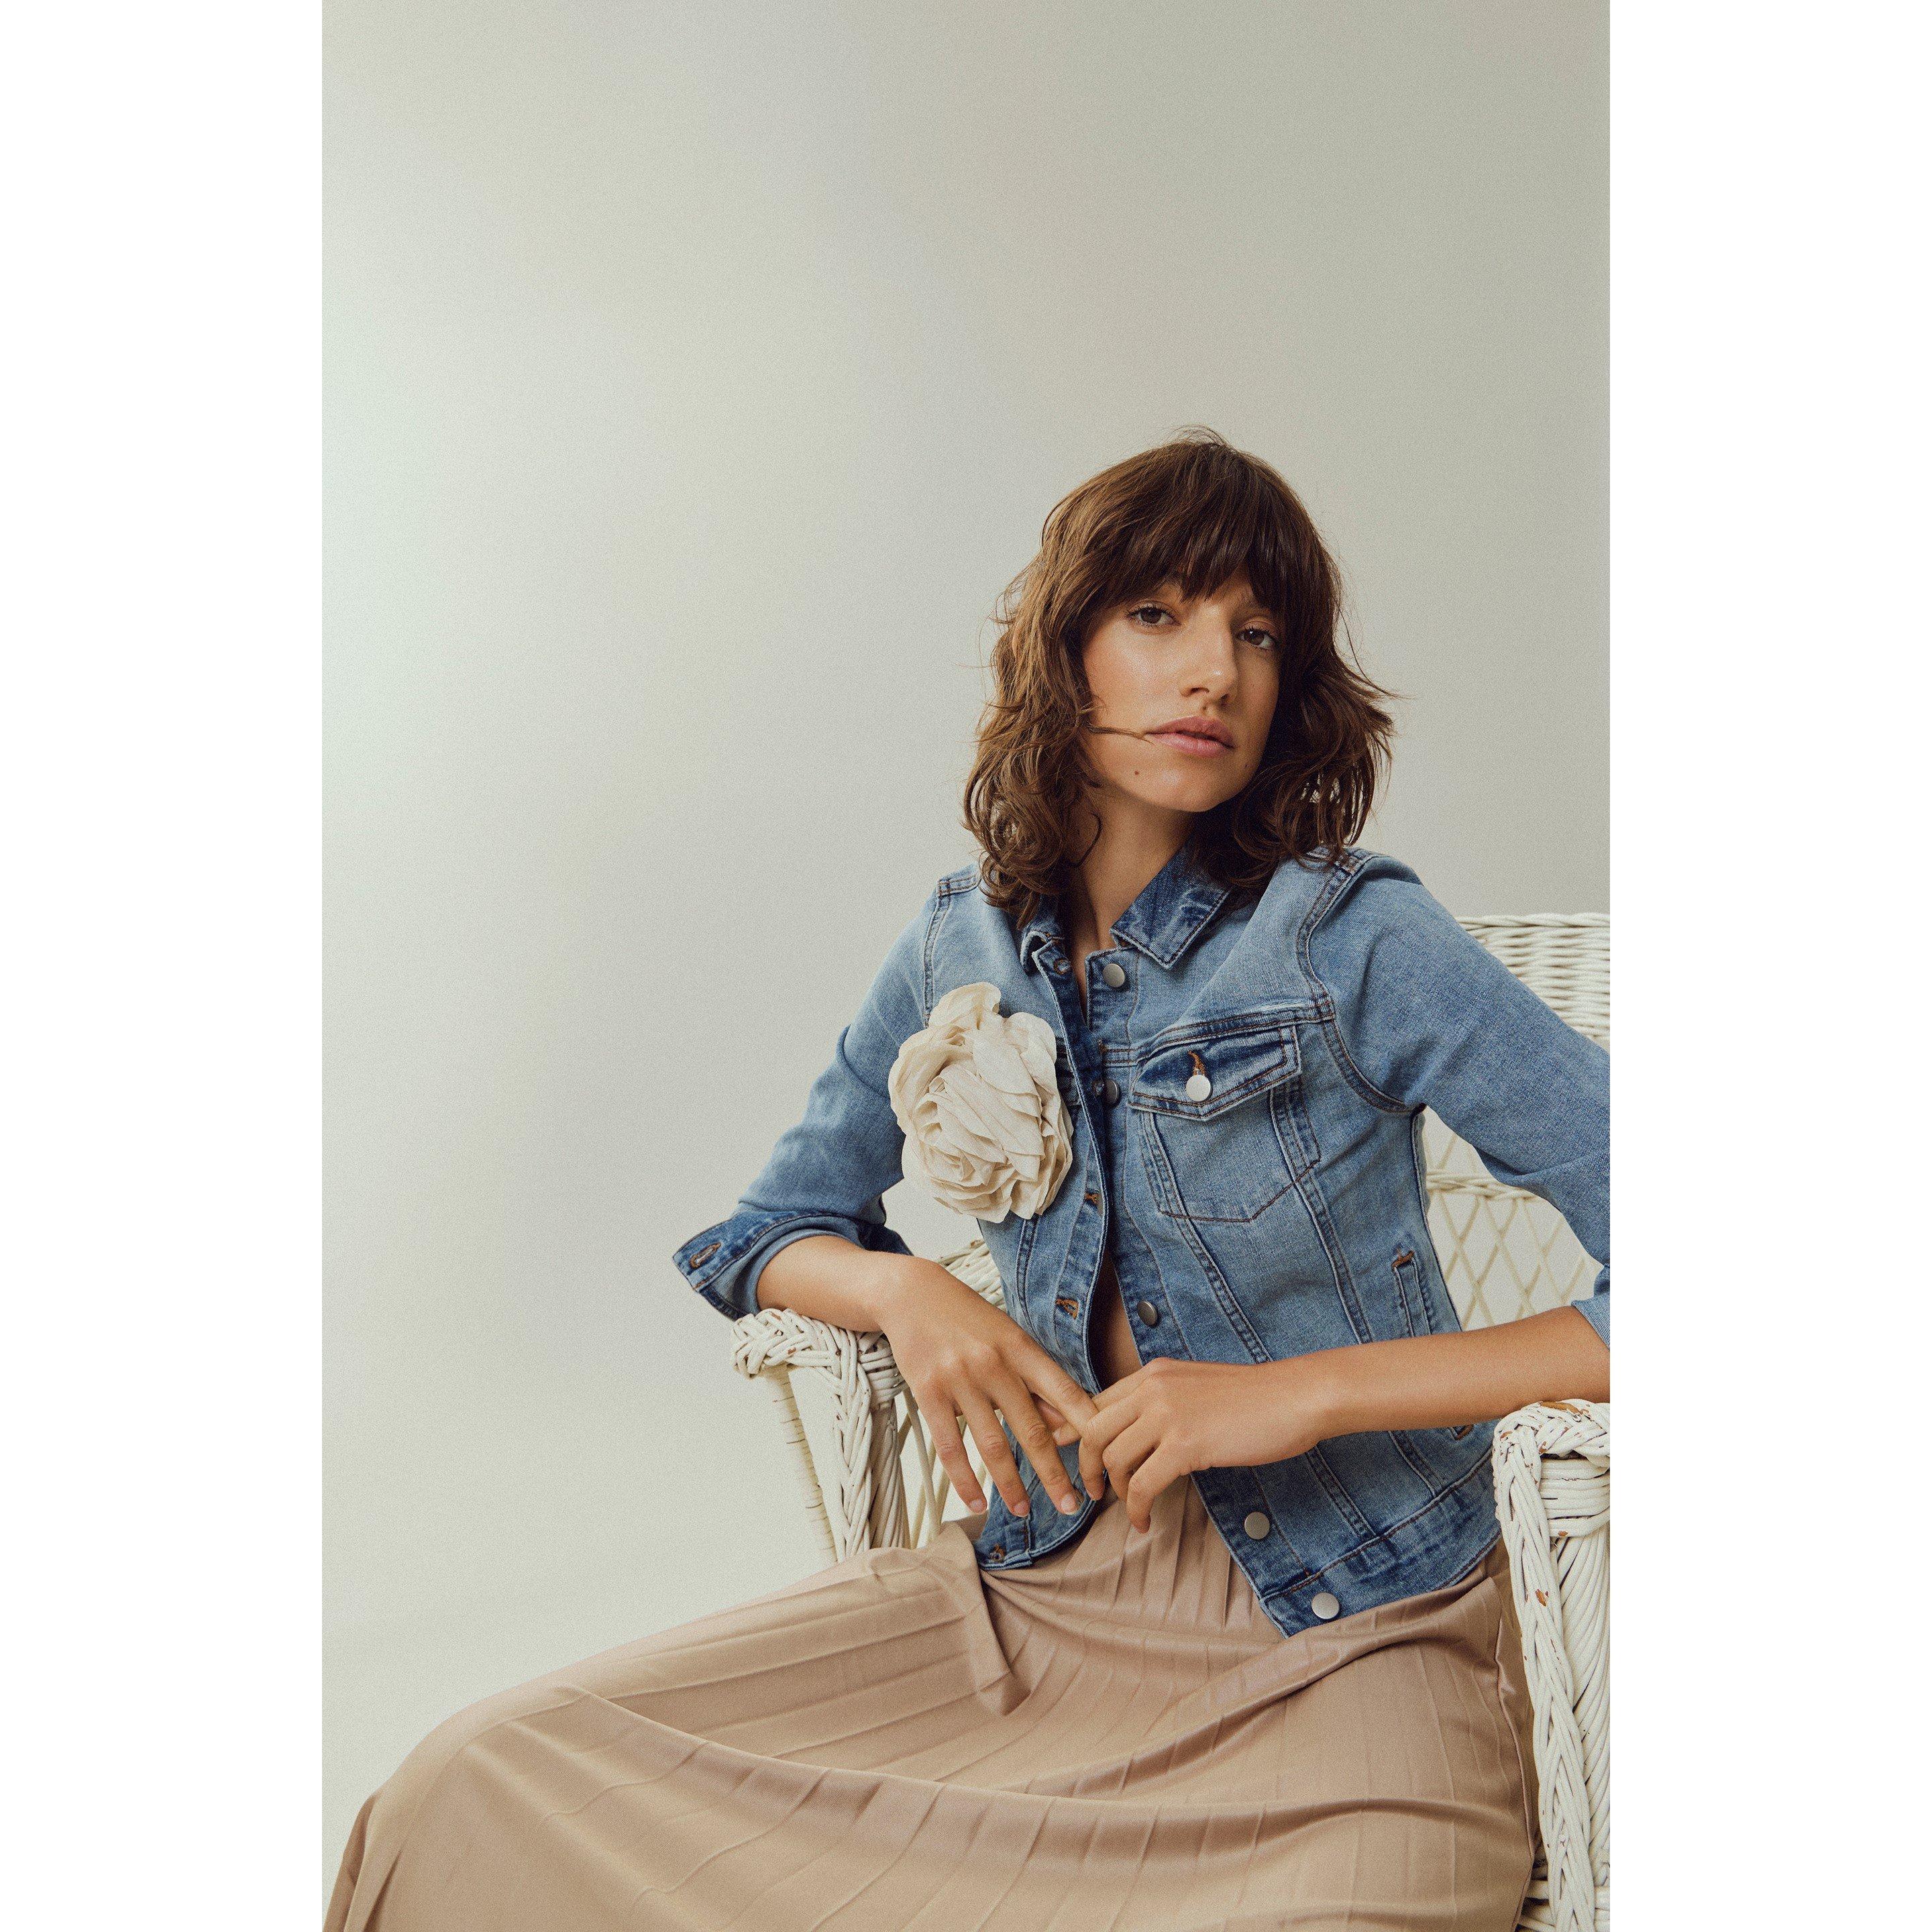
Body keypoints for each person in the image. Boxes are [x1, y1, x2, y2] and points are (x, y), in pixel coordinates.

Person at [327, 429, 1609, 1931]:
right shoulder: (960, 945)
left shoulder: (1353, 938)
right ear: (1062, 652)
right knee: (479, 1780)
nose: (1215, 673)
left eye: (1259, 635)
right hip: (1028, 1611)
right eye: (1158, 615)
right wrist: (907, 1293)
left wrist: (1303, 1393)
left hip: (1365, 1632)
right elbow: (763, 1235)